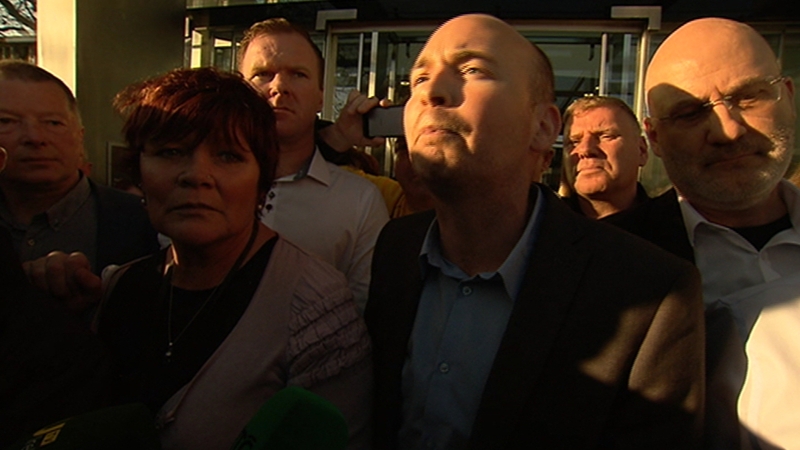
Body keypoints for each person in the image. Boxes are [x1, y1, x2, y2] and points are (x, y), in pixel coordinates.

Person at [364, 14, 705, 449]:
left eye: (473, 70)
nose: (431, 92)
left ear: (543, 127)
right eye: (420, 79)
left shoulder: (651, 292)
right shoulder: (394, 248)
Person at [25, 68, 372, 450]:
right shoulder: (116, 288)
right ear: (137, 170)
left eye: (228, 156)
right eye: (171, 152)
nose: (197, 176)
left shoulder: (316, 308)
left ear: (263, 180)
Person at [612, 17, 799, 449]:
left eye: (749, 96)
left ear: (787, 95)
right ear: (654, 137)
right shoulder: (607, 265)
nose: (727, 131)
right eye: (690, 113)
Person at [237, 18, 389, 312]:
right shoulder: (202, 184)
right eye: (263, 74)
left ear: (321, 96)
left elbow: (363, 313)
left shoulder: (359, 201)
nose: (279, 86)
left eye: (298, 74)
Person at [0, 61, 158, 274]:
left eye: (53, 123)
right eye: (7, 122)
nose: (35, 137)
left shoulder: (145, 222)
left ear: (80, 136)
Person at [561, 95, 650, 219]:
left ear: (642, 150)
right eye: (574, 142)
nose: (585, 150)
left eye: (606, 136)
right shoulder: (538, 229)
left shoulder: (680, 230)